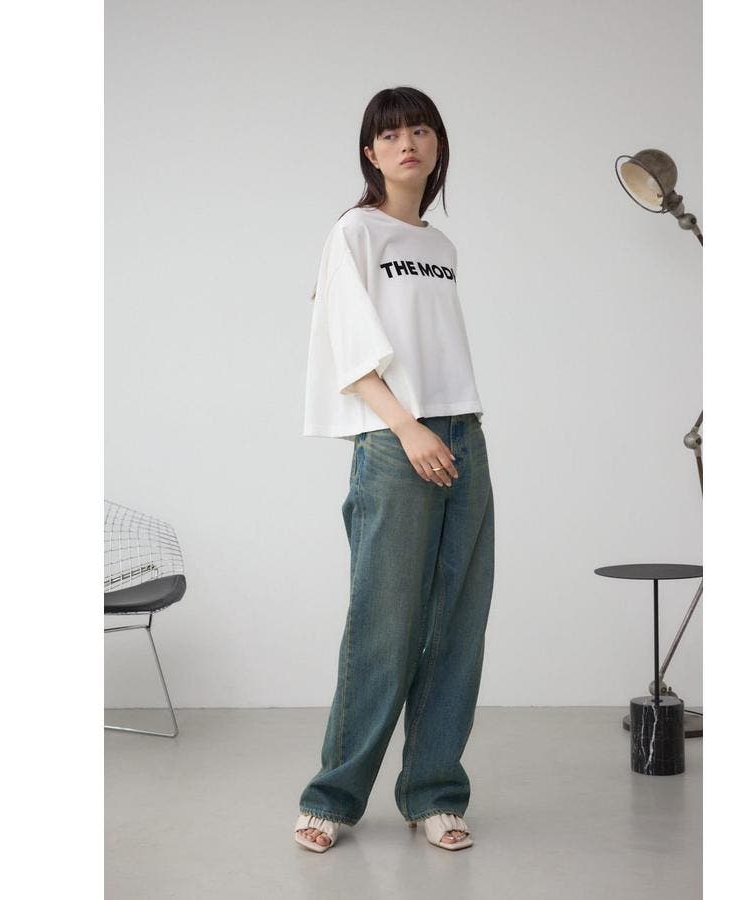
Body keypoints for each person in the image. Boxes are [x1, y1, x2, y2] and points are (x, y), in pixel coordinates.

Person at [295, 86, 494, 854]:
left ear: (437, 145)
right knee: (383, 624)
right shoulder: (355, 232)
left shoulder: (441, 247)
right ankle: (332, 798)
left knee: (456, 626)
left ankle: (434, 793)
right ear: (370, 153)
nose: (406, 142)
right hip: (395, 439)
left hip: (463, 433)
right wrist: (408, 428)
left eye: (419, 130)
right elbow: (345, 348)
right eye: (389, 134)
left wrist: (443, 428)